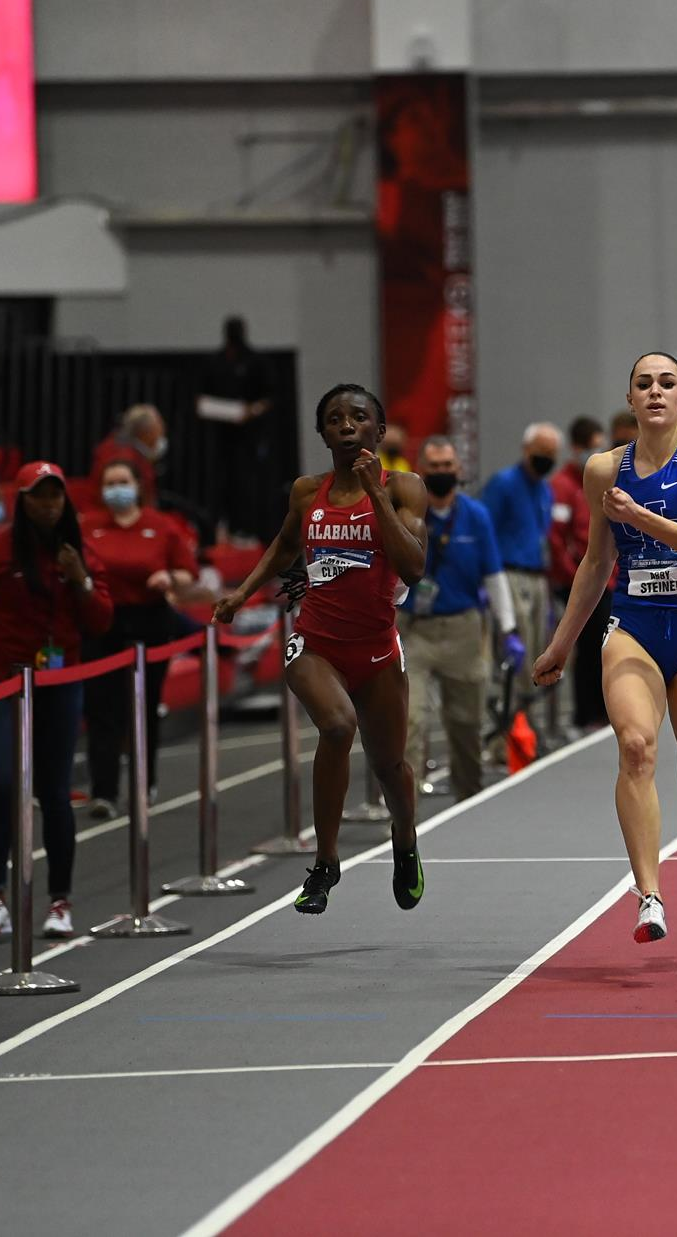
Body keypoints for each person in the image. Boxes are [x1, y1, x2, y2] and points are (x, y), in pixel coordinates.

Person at [532, 352, 677, 944]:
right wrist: (561, 644)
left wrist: (642, 518)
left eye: (667, 383)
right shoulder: (604, 470)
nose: (655, 392)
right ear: (630, 399)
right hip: (634, 628)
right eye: (643, 384)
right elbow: (597, 563)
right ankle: (649, 895)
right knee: (636, 746)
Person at [212, 385, 429, 917]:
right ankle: (325, 863)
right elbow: (285, 545)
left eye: (358, 417)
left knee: (390, 766)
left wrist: (375, 494)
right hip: (315, 642)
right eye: (335, 419)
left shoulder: (404, 487)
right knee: (336, 726)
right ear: (323, 433)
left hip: (377, 648)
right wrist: (242, 593)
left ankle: (405, 840)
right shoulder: (307, 493)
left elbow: (413, 566)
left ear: (378, 432)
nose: (346, 425)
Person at [0, 462, 114, 940]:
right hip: (2, 684)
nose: (50, 504)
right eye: (40, 496)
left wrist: (78, 579)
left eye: (57, 495)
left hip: (60, 684)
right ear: (23, 501)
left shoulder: (78, 552)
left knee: (54, 792)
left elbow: (100, 621)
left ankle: (60, 902)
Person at [79, 459, 200, 820]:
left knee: (143, 706)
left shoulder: (160, 526)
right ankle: (103, 791)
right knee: (102, 710)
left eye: (122, 481)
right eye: (109, 482)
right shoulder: (88, 527)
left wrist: (168, 578)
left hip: (150, 621)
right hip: (103, 623)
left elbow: (187, 573)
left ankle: (144, 783)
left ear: (136, 486)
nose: (116, 488)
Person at [402, 436, 520, 799]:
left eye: (447, 466)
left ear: (458, 469)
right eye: (434, 467)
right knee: (409, 720)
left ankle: (468, 799)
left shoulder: (475, 515)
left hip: (464, 630)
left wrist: (508, 629)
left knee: (466, 724)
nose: (441, 473)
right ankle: (404, 809)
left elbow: (494, 575)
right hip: (413, 631)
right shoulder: (405, 515)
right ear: (421, 470)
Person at [480, 422, 560, 730]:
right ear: (526, 450)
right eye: (541, 452)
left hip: (537, 578)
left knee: (539, 652)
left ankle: (525, 729)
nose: (546, 458)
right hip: (510, 575)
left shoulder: (544, 489)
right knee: (516, 653)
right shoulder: (503, 484)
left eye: (551, 453)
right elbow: (484, 530)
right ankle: (505, 733)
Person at [550, 415, 610, 732]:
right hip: (581, 580)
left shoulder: (598, 479)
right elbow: (556, 539)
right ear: (575, 448)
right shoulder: (562, 486)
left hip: (607, 579)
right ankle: (585, 716)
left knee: (604, 645)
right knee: (587, 647)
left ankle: (602, 712)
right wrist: (575, 577)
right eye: (591, 447)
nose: (595, 453)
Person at [197, 316, 275, 542]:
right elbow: (200, 397)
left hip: (249, 437)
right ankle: (221, 529)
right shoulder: (215, 362)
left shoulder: (256, 361)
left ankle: (247, 530)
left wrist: (252, 411)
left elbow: (270, 397)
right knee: (220, 483)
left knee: (246, 484)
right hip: (219, 435)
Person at [92, 403, 169, 507]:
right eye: (160, 429)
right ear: (146, 433)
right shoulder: (122, 458)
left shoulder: (129, 452)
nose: (162, 435)